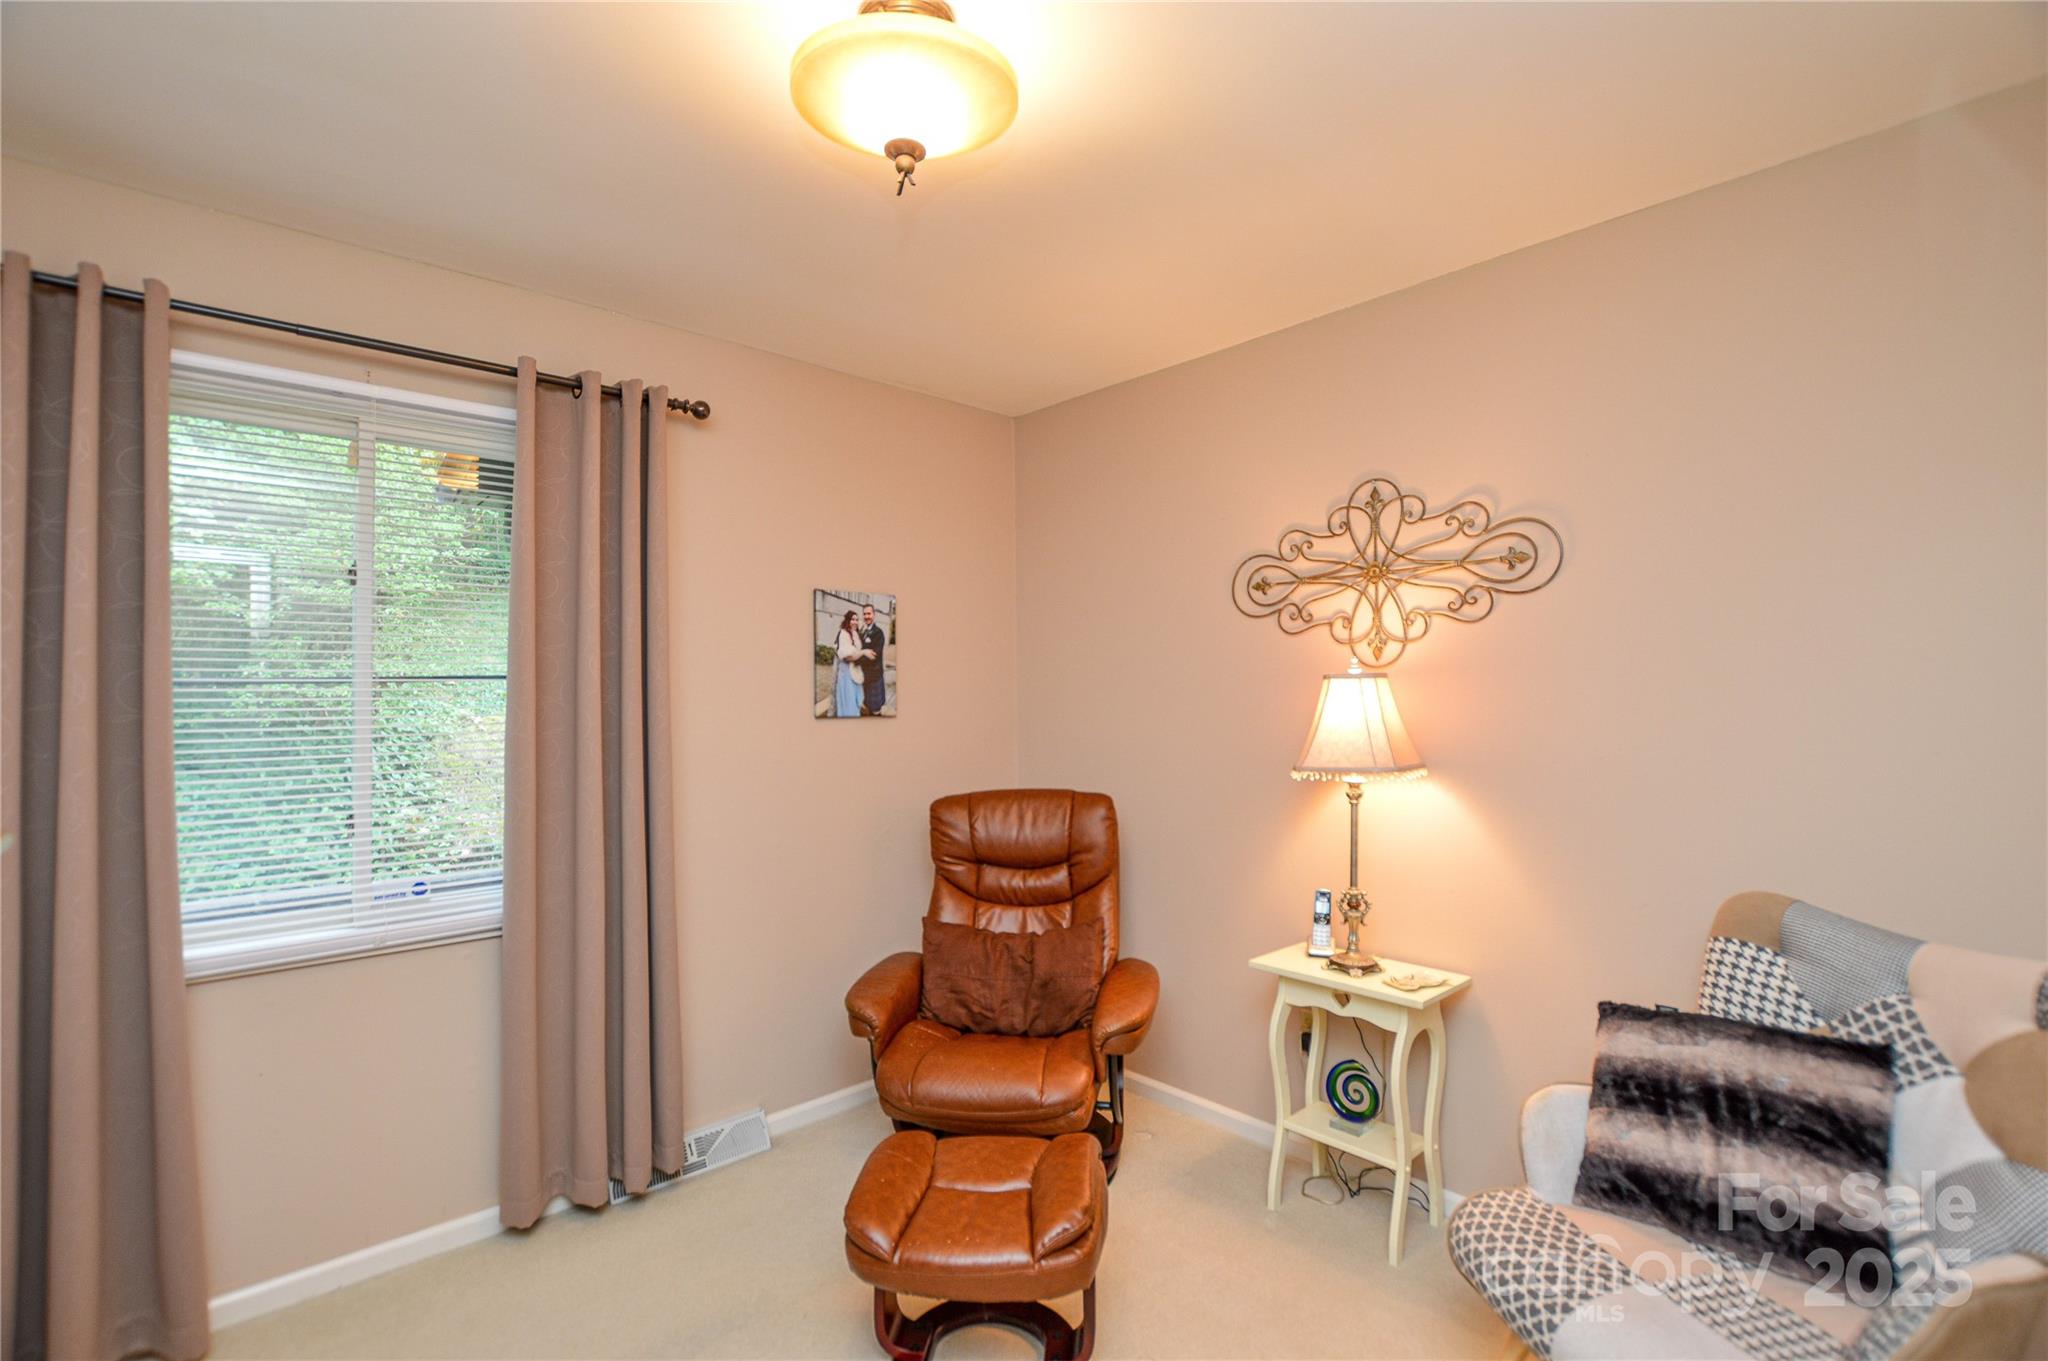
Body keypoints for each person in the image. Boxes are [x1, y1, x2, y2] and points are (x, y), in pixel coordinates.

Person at [858, 602, 888, 715]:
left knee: (876, 710)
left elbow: (874, 656)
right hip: (864, 677)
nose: (866, 616)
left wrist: (855, 659)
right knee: (866, 707)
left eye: (869, 614)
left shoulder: (878, 633)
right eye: (864, 614)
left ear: (874, 615)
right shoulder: (862, 632)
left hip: (874, 677)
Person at [833, 609, 863, 718]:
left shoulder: (855, 634)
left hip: (854, 671)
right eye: (852, 619)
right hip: (846, 674)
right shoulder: (843, 634)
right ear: (847, 621)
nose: (855, 622)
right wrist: (863, 653)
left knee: (855, 702)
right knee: (848, 702)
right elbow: (847, 656)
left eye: (856, 619)